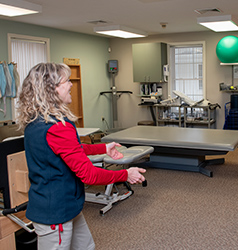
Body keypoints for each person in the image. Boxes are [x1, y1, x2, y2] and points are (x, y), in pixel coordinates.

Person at [16, 62, 146, 249]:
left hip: (67, 204)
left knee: (86, 247)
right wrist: (125, 174)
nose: (71, 85)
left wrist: (102, 148)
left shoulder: (37, 120)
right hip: (56, 212)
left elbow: (69, 150)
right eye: (66, 81)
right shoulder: (58, 127)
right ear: (51, 89)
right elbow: (89, 175)